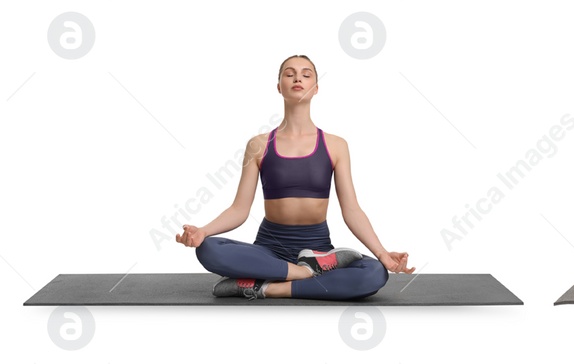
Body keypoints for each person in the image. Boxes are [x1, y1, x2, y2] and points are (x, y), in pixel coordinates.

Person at [173, 55, 416, 300]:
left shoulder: (336, 145)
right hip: (269, 249)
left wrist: (382, 253)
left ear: (316, 88)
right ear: (279, 86)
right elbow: (239, 209)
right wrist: (203, 231)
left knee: (374, 273)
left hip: (319, 250)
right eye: (289, 74)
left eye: (306, 74)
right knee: (209, 250)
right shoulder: (258, 145)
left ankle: (268, 286)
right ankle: (303, 273)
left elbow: (352, 210)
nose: (297, 77)